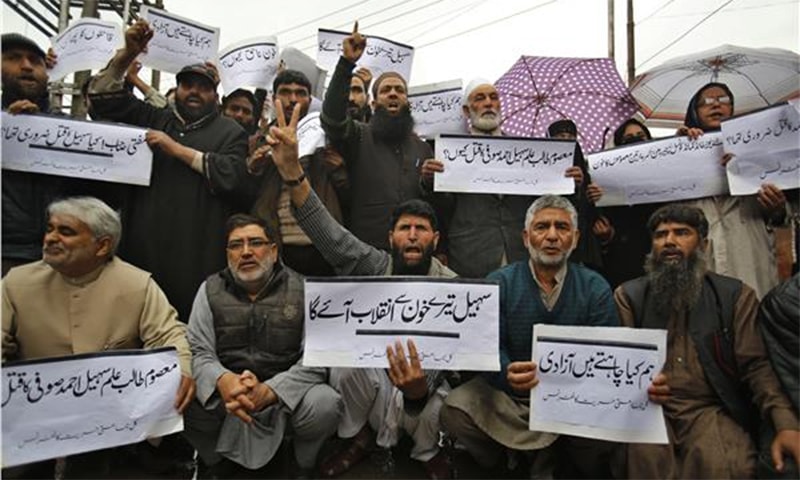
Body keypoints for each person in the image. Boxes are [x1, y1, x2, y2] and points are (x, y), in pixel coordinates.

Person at [267, 100, 454, 479]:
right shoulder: (375, 264)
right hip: (373, 378)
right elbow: (329, 235)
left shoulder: (452, 286)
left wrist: (421, 387)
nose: (413, 235)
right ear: (391, 237)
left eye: (421, 229)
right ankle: (359, 439)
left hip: (424, 385)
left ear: (435, 239)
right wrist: (292, 173)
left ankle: (426, 452)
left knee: (441, 400)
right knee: (346, 367)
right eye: (405, 228)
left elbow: (461, 356)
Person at [2, 196, 195, 478]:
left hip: (107, 428)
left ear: (102, 245)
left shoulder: (137, 284)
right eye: (50, 228)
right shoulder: (17, 282)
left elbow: (169, 335)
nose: (51, 238)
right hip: (31, 421)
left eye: (65, 231)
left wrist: (181, 370)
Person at [614, 204, 800, 478]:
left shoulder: (735, 296)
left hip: (710, 409)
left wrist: (786, 424)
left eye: (682, 233)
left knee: (728, 463)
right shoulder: (629, 296)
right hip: (649, 408)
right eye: (661, 235)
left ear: (704, 244)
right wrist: (640, 387)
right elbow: (617, 370)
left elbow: (757, 367)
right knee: (644, 462)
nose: (669, 242)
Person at [87, 19, 256, 321]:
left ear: (215, 96)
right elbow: (102, 99)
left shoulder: (230, 132)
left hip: (197, 259)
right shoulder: (154, 117)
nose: (194, 92)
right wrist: (127, 54)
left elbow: (233, 176)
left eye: (203, 87)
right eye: (188, 85)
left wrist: (174, 149)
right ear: (177, 88)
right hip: (141, 252)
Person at [441, 194, 620, 477]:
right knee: (455, 410)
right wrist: (506, 373)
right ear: (526, 238)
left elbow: (609, 355)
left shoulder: (595, 287)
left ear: (574, 238)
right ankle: (502, 460)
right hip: (512, 396)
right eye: (542, 227)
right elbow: (485, 347)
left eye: (561, 228)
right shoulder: (499, 282)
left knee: (598, 441)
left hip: (572, 398)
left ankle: (554, 456)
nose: (551, 236)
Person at [183, 213, 341, 477]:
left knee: (326, 402)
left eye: (255, 243)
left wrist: (270, 390)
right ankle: (213, 462)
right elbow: (198, 351)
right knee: (176, 394)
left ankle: (303, 464)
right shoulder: (209, 289)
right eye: (236, 245)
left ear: (274, 250)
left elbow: (315, 359)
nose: (246, 252)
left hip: (285, 397)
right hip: (229, 398)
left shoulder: (304, 290)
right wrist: (223, 380)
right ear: (227, 254)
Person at [420, 80, 587, 278]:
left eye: (494, 97)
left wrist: (570, 184)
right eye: (480, 98)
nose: (488, 103)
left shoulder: (529, 152)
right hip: (471, 256)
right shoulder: (449, 153)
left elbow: (545, 202)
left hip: (521, 255)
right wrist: (429, 182)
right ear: (466, 111)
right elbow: (443, 208)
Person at [320, 23, 435, 250]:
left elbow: (438, 206)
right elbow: (331, 119)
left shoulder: (422, 149)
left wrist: (428, 183)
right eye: (385, 90)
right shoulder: (359, 135)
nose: (393, 93)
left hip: (414, 253)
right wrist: (346, 63)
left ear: (407, 103)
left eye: (399, 90)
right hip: (367, 250)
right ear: (373, 103)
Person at [678, 82, 785, 299]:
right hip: (702, 257)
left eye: (724, 100)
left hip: (750, 252)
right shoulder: (681, 147)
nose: (716, 105)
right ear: (694, 112)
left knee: (751, 316)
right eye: (707, 102)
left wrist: (775, 206)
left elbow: (779, 216)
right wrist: (679, 151)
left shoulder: (759, 146)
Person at [248, 69, 349, 276]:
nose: (292, 99)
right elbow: (244, 193)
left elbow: (349, 193)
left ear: (309, 99)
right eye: (285, 92)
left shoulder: (327, 137)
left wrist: (338, 169)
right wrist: (254, 167)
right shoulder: (259, 141)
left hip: (321, 243)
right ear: (274, 97)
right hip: (276, 243)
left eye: (300, 93)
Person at [1, 33, 68, 275]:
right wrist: (7, 128)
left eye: (35, 60)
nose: (26, 66)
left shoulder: (71, 131)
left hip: (60, 260)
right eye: (14, 58)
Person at [593, 118, 659, 287]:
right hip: (622, 268)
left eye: (640, 135)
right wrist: (607, 235)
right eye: (628, 138)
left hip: (659, 264)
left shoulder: (663, 174)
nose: (635, 139)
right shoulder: (604, 181)